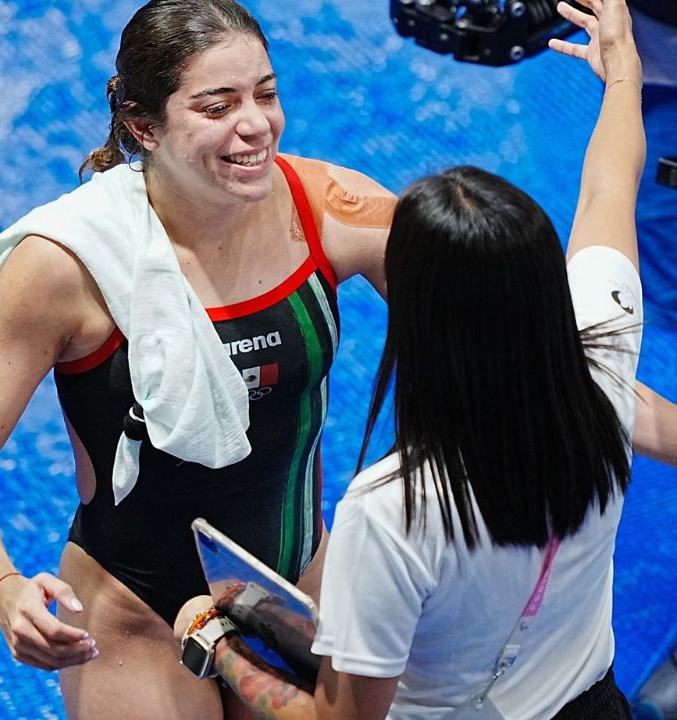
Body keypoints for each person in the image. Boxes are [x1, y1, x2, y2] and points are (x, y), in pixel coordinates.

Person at [0, 1, 677, 718]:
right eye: (218, 107)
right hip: (136, 610)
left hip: (294, 593)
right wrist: (1, 587)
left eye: (266, 94)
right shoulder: (63, 267)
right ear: (143, 126)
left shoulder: (326, 209)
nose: (256, 125)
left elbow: (503, 334)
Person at [172, 0, 647, 717]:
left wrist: (219, 648)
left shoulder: (393, 511)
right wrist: (624, 80)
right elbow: (611, 189)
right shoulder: (605, 372)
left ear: (416, 319)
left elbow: (342, 717)